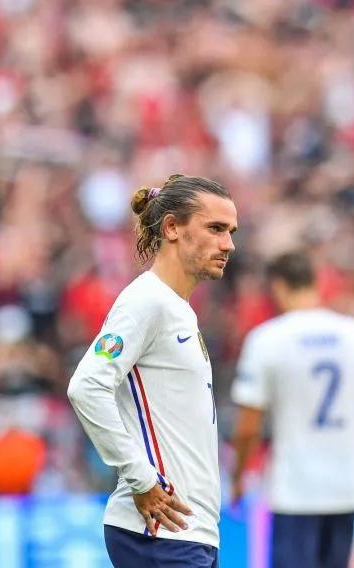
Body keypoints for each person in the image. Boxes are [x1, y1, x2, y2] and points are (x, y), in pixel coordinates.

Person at [67, 174, 238, 568]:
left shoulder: (178, 309)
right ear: (172, 228)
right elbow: (87, 385)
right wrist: (142, 479)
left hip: (187, 531)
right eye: (215, 228)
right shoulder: (146, 301)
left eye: (230, 231)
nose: (228, 244)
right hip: (157, 532)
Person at [230, 250, 354, 568]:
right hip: (347, 487)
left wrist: (238, 477)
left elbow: (249, 426)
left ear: (277, 286)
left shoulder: (267, 339)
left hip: (295, 488)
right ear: (315, 283)